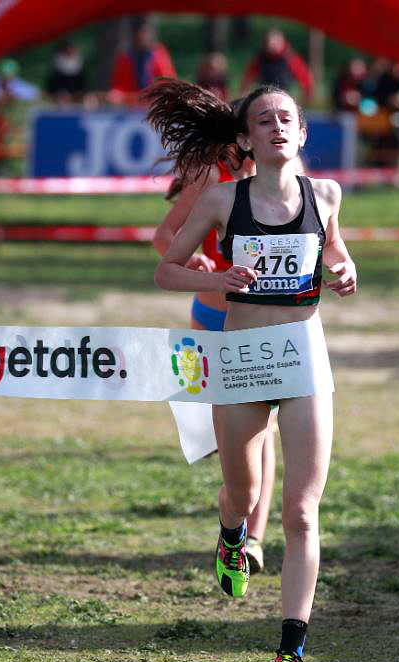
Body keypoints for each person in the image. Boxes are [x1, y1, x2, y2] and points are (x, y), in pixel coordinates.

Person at [147, 79, 356, 662]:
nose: (277, 126)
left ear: (303, 132)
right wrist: (218, 278)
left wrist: (344, 271)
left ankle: (292, 651)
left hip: (303, 357)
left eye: (286, 117)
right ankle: (232, 532)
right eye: (264, 120)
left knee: (301, 511)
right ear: (246, 138)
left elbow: (336, 252)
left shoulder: (326, 194)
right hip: (241, 358)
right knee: (241, 492)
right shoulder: (220, 199)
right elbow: (166, 270)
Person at [152, 122, 273, 575]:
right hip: (208, 317)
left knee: (264, 432)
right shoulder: (208, 178)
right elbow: (164, 235)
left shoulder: (288, 180)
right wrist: (192, 257)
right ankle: (236, 517)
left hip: (260, 324)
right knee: (222, 438)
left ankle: (253, 539)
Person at [109, 17, 176, 105]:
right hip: (131, 105)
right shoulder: (126, 57)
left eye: (145, 33)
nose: (142, 37)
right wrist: (117, 95)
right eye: (139, 34)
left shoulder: (159, 55)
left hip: (153, 103)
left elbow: (167, 83)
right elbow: (120, 87)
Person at [241, 29, 314, 104]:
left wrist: (308, 93)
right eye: (269, 42)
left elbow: (304, 76)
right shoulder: (260, 58)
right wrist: (244, 91)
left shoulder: (290, 57)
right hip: (265, 96)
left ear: (282, 42)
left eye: (275, 42)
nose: (271, 45)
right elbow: (249, 75)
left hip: (284, 96)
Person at [46, 39, 87, 104]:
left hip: (75, 90)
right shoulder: (58, 61)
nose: (70, 51)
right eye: (68, 49)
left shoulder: (78, 61)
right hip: (59, 88)